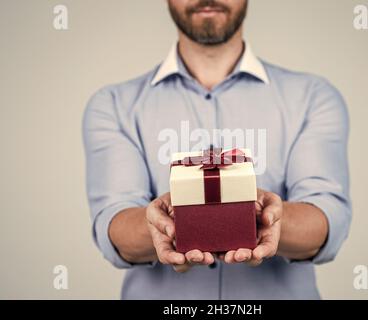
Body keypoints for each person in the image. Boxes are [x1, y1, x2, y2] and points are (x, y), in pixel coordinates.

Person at [83, 0, 351, 299]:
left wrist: (268, 219)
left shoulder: (313, 97)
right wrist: (163, 224)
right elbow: (113, 226)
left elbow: (328, 220)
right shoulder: (113, 106)